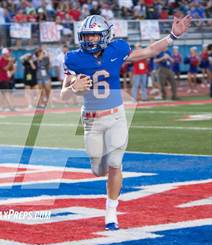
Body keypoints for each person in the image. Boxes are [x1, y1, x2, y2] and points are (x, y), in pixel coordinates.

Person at [61, 14, 191, 230]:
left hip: (116, 116)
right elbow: (63, 94)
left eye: (94, 35)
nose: (90, 40)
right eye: (86, 36)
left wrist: (172, 36)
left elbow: (149, 51)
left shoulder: (117, 49)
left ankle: (111, 214)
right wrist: (74, 88)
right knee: (97, 170)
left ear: (105, 36)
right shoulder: (74, 58)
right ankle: (108, 173)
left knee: (114, 164)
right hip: (91, 120)